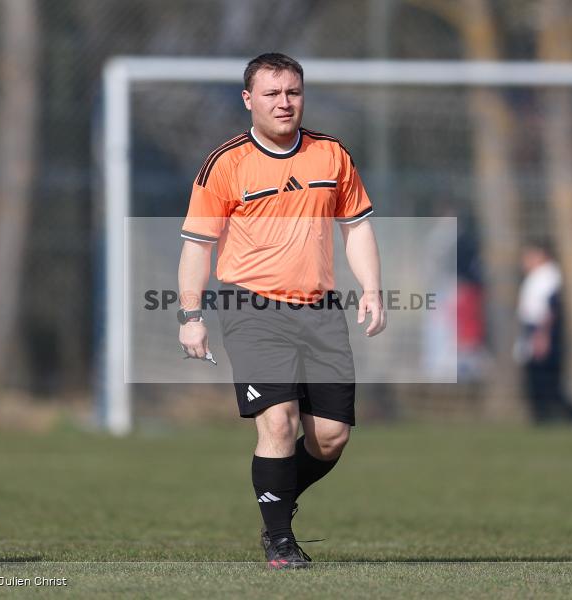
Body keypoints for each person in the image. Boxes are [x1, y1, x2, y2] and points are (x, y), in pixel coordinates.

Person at [176, 53, 386, 568]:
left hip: (320, 310)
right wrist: (190, 316)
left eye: (292, 92)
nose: (284, 102)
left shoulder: (331, 154)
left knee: (331, 437)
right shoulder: (225, 163)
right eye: (271, 94)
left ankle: (277, 498)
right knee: (278, 421)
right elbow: (198, 246)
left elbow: (356, 227)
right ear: (249, 100)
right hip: (252, 308)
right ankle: (279, 540)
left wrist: (373, 288)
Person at [515, 241, 572, 432]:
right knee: (535, 383)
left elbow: (550, 310)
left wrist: (542, 336)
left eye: (530, 255)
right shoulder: (535, 277)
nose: (525, 260)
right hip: (532, 333)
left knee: (550, 384)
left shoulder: (548, 276)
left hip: (543, 334)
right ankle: (542, 422)